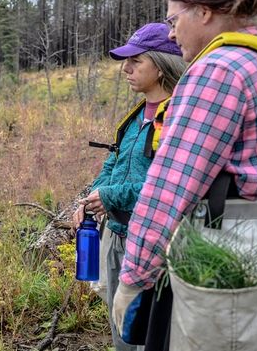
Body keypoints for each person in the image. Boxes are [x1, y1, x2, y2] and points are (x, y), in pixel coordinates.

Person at [113, 0, 257, 350]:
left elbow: (171, 187)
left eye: (174, 20)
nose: (172, 33)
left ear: (205, 13)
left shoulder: (217, 71)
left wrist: (133, 277)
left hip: (211, 264)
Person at [73, 23, 186, 351]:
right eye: (127, 61)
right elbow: (114, 163)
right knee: (121, 329)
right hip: (118, 236)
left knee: (154, 336)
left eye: (136, 61)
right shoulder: (135, 118)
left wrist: (108, 196)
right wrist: (91, 197)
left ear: (162, 64)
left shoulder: (178, 118)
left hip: (157, 246)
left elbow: (165, 185)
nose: (126, 68)